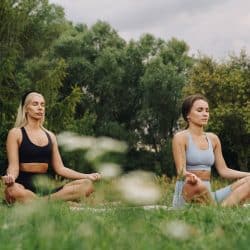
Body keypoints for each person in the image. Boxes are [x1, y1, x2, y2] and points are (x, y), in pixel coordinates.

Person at [1, 91, 101, 204]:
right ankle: (47, 202)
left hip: (46, 189)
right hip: (22, 187)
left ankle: (39, 202)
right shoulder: (16, 133)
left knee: (87, 185)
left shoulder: (51, 136)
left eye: (42, 104)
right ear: (26, 109)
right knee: (12, 190)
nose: (40, 108)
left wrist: (87, 176)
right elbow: (13, 167)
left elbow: (60, 169)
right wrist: (10, 178)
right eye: (35, 104)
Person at [172, 94, 250, 208]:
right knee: (196, 184)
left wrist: (248, 174)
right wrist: (190, 176)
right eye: (200, 110)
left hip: (210, 196)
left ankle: (220, 210)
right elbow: (181, 171)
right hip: (190, 191)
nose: (205, 114)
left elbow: (223, 170)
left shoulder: (213, 139)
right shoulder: (180, 137)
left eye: (207, 111)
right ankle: (220, 208)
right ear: (188, 115)